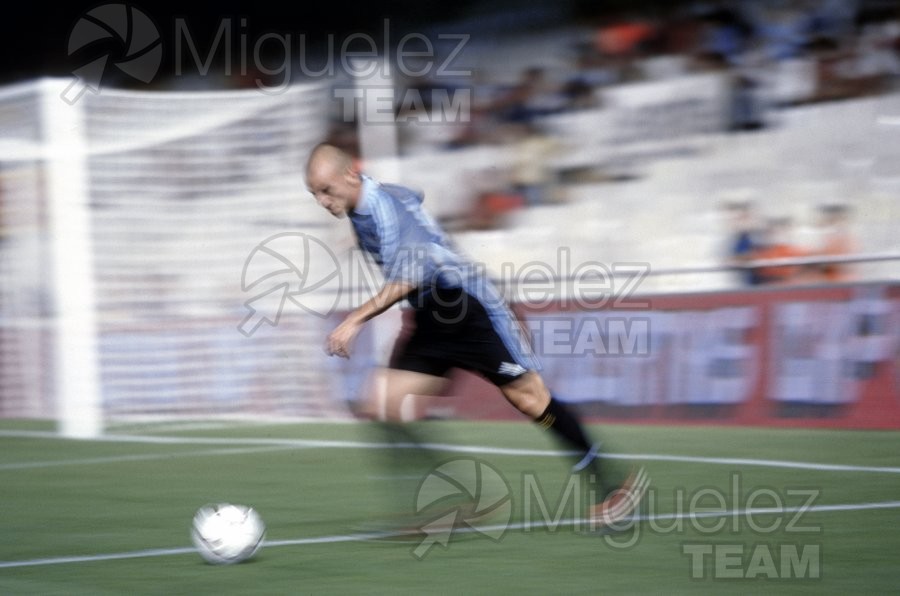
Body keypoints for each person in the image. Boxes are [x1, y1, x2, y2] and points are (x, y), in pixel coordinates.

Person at [305, 143, 645, 530]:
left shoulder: (386, 210)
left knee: (533, 401)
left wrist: (355, 320)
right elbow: (413, 195)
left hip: (468, 307)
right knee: (381, 403)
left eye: (325, 189)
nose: (321, 200)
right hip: (431, 317)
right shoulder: (368, 201)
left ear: (350, 175)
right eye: (314, 193)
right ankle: (453, 505)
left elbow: (411, 274)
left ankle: (613, 486)